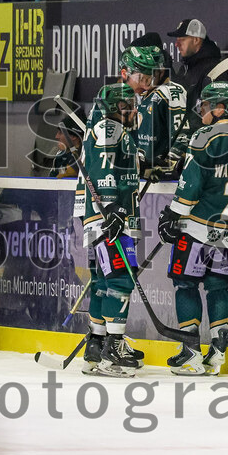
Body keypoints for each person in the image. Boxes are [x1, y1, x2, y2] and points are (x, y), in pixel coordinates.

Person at [157, 81, 228, 375]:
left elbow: (191, 184)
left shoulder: (205, 136)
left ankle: (189, 353)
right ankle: (217, 353)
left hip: (199, 228)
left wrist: (172, 215)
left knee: (185, 284)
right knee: (219, 289)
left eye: (206, 106)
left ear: (221, 107)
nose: (202, 111)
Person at [79, 83, 147, 377]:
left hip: (101, 220)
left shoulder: (118, 132)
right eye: (125, 106)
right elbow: (105, 171)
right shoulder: (110, 129)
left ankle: (96, 345)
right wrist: (116, 210)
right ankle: (114, 349)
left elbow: (121, 169)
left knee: (101, 282)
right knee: (120, 280)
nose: (132, 110)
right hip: (111, 219)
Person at [121, 43, 189, 177]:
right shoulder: (143, 95)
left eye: (150, 76)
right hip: (147, 175)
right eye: (142, 77)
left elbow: (183, 134)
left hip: (165, 181)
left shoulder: (170, 91)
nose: (146, 82)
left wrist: (169, 166)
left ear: (161, 71)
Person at [169, 17, 223, 115]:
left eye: (182, 39)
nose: (177, 44)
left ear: (196, 40)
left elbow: (207, 112)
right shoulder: (186, 67)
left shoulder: (212, 68)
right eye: (177, 40)